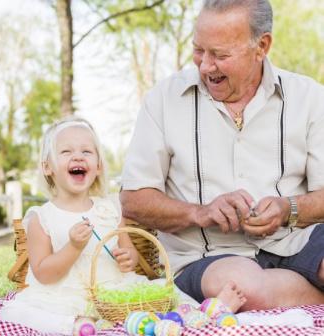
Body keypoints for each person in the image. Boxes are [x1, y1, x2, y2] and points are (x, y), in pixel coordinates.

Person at [120, 0, 324, 312]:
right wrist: (200, 213)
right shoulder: (164, 99)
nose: (204, 65)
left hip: (295, 241)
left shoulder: (309, 97)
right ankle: (301, 292)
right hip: (204, 258)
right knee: (242, 288)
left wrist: (288, 209)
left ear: (262, 46)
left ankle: (287, 288)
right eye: (199, 50)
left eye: (220, 54)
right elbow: (134, 200)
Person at [0, 116, 223, 335]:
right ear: (48, 167)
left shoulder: (109, 209)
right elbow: (44, 275)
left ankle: (201, 312)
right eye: (66, 152)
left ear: (97, 166)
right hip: (66, 297)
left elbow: (131, 257)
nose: (78, 157)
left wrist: (127, 259)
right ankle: (73, 325)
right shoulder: (42, 217)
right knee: (13, 311)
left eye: (86, 151)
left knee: (166, 290)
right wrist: (73, 247)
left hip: (114, 291)